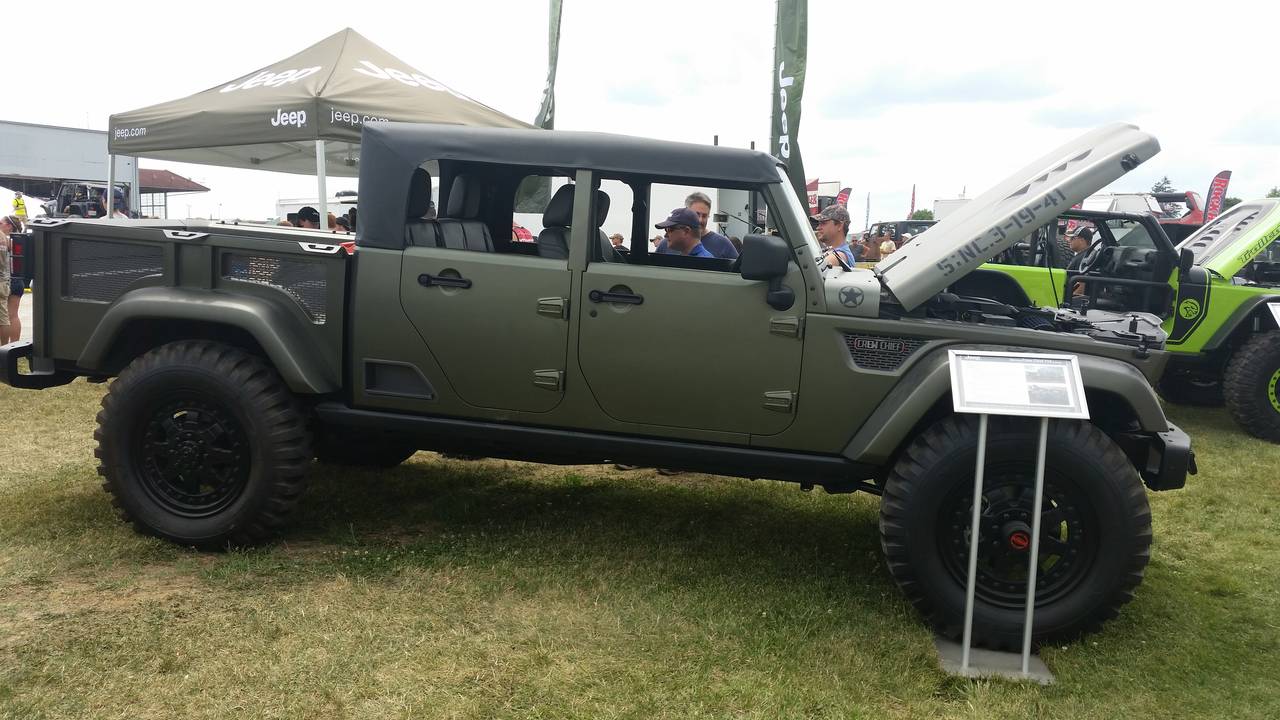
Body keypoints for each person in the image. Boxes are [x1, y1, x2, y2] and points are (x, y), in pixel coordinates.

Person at [654, 192, 739, 258]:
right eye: (696, 215)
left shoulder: (723, 244)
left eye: (704, 216)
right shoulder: (666, 244)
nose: (700, 220)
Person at [0, 215, 19, 344]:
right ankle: (9, 346)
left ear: (9, 225)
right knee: (10, 316)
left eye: (1, 223)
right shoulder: (12, 241)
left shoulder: (6, 239)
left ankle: (5, 346)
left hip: (7, 280)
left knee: (6, 317)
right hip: (9, 280)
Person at [1066, 227, 1096, 296]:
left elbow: (1080, 288)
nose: (1069, 240)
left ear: (1082, 240)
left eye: (1073, 238)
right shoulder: (1087, 254)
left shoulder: (1085, 258)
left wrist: (1068, 301)